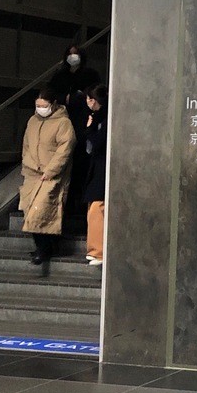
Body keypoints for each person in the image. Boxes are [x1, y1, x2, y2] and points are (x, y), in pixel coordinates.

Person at [20, 87, 76, 270]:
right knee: (30, 210)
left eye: (44, 105)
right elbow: (26, 145)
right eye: (38, 105)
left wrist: (52, 170)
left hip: (51, 175)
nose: (40, 108)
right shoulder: (32, 121)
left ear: (53, 104)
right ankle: (44, 247)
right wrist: (27, 163)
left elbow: (65, 149)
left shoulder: (63, 123)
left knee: (42, 210)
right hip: (32, 173)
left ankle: (44, 250)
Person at [48, 44, 101, 217]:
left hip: (82, 119)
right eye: (70, 54)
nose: (73, 57)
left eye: (76, 54)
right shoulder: (60, 76)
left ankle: (78, 201)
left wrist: (80, 97)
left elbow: (96, 93)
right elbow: (51, 94)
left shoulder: (90, 75)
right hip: (63, 119)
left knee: (80, 159)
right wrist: (66, 98)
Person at [83, 84, 109, 267]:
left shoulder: (104, 118)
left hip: (103, 169)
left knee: (96, 209)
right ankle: (96, 250)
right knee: (95, 208)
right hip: (98, 168)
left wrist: (89, 129)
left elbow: (97, 142)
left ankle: (97, 251)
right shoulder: (99, 117)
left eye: (89, 98)